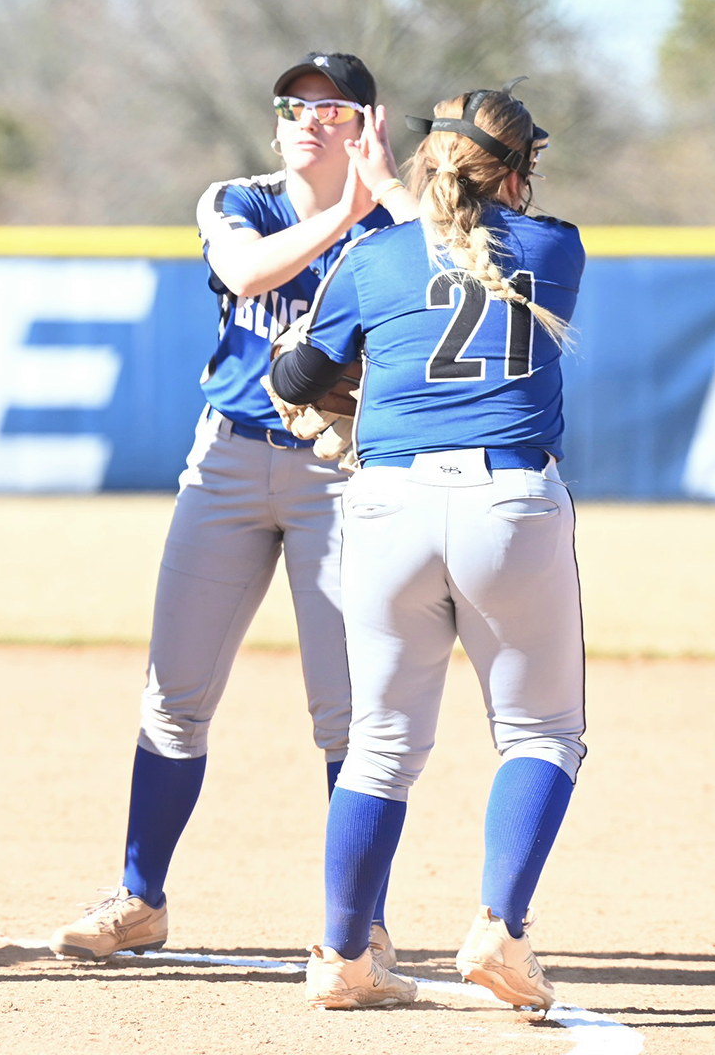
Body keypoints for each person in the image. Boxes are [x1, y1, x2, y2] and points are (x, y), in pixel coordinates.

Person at [49, 52, 419, 963]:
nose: (309, 119)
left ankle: (358, 923)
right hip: (226, 461)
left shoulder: (404, 223)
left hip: (339, 475)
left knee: (347, 713)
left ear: (369, 125)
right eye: (295, 104)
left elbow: (447, 274)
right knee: (175, 694)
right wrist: (346, 214)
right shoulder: (240, 199)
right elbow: (248, 274)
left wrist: (389, 201)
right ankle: (139, 899)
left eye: (334, 109)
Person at [272, 81, 584, 1011]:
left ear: (421, 158)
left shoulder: (373, 259)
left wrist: (318, 369)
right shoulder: (557, 247)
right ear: (521, 171)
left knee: (378, 747)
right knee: (541, 734)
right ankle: (500, 928)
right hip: (510, 502)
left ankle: (342, 958)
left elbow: (299, 374)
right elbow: (468, 249)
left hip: (389, 499)